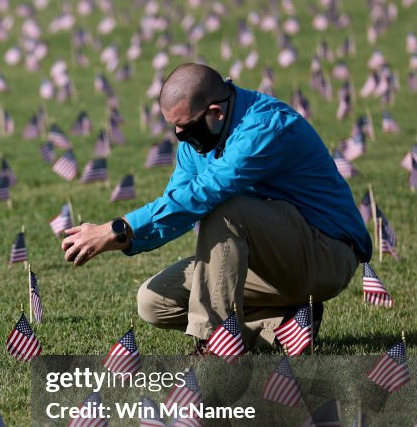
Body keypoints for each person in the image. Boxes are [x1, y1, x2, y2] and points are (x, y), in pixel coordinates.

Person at [60, 63, 372, 351]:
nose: (181, 137)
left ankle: (216, 344)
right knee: (153, 301)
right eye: (175, 129)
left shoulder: (264, 126)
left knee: (226, 209)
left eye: (187, 127)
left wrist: (118, 228)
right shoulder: (197, 140)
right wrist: (122, 237)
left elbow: (206, 193)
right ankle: (282, 326)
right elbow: (177, 207)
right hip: (272, 262)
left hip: (326, 254)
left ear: (216, 113)